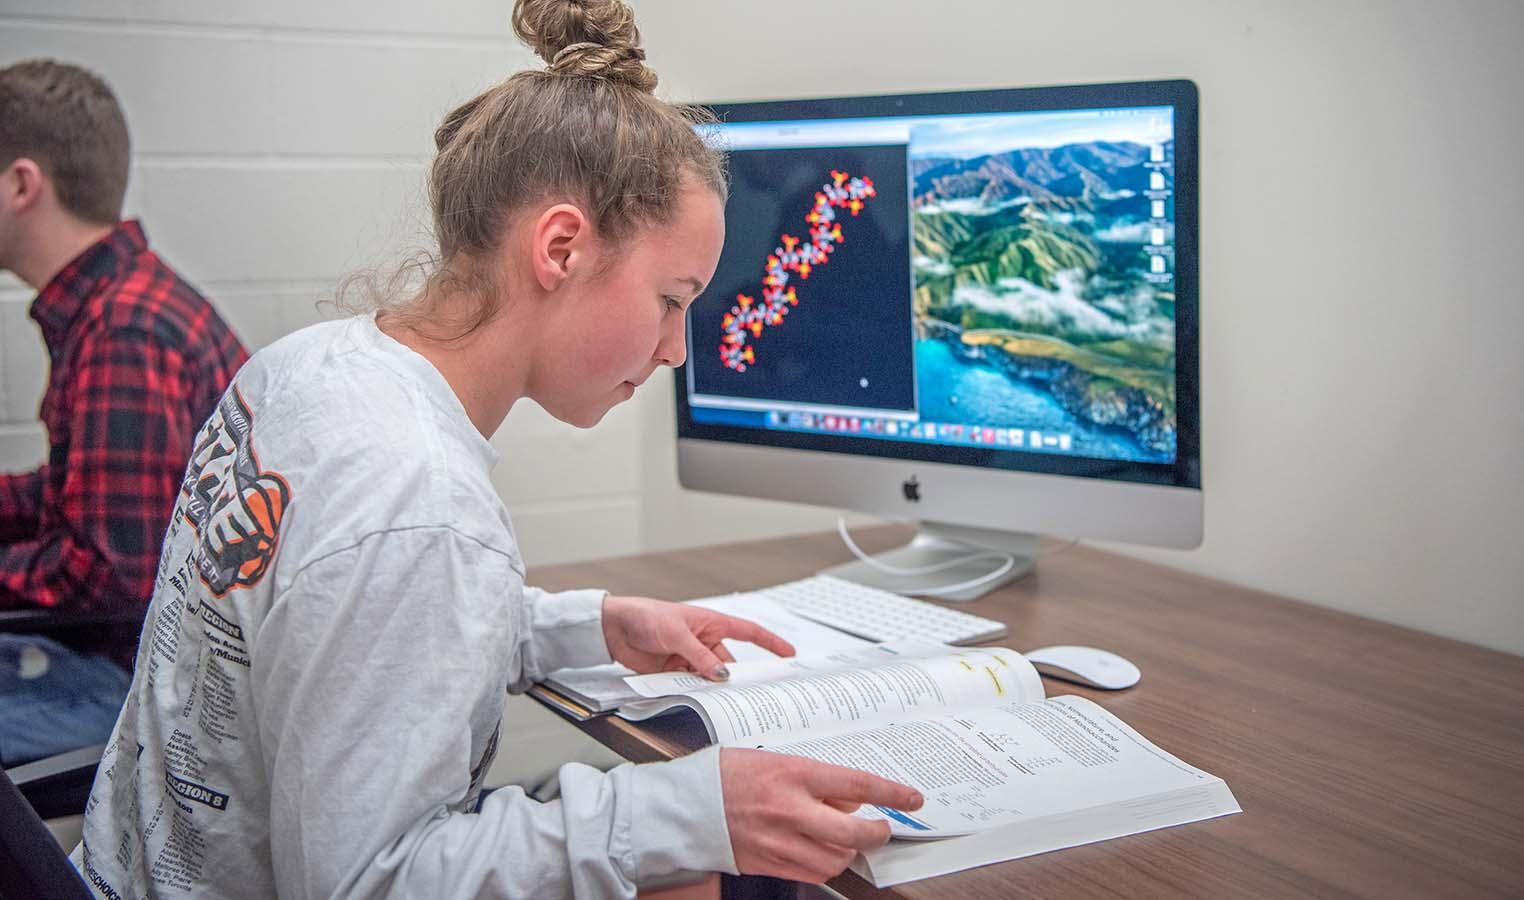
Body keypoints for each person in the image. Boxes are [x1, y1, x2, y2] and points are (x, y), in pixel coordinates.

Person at [72, 1, 924, 897]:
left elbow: (332, 626)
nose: (676, 350)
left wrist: (575, 626)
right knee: (706, 875)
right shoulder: (418, 499)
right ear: (559, 248)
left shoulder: (307, 371)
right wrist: (689, 811)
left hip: (117, 869)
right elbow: (367, 883)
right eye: (672, 300)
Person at [0, 58, 248, 766]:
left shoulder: (125, 329)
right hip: (124, 652)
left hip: (143, 681)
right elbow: (86, 496)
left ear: (23, 184)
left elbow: (108, 572)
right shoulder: (116, 303)